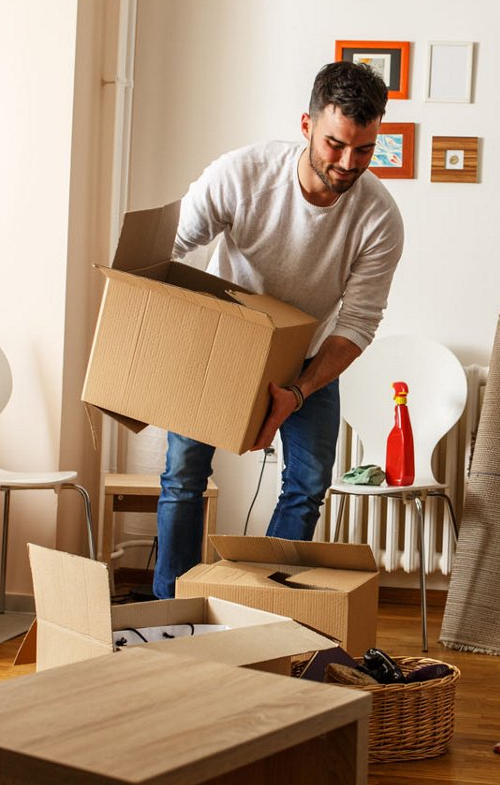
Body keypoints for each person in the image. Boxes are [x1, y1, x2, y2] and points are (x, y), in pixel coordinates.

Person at [153, 61, 405, 600]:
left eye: (364, 150)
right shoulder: (243, 174)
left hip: (307, 361)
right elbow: (165, 248)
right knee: (183, 477)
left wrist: (299, 390)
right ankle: (167, 610)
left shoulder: (379, 218)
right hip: (221, 347)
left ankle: (266, 611)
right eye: (335, 144)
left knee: (308, 488)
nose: (347, 163)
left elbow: (359, 322)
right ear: (307, 125)